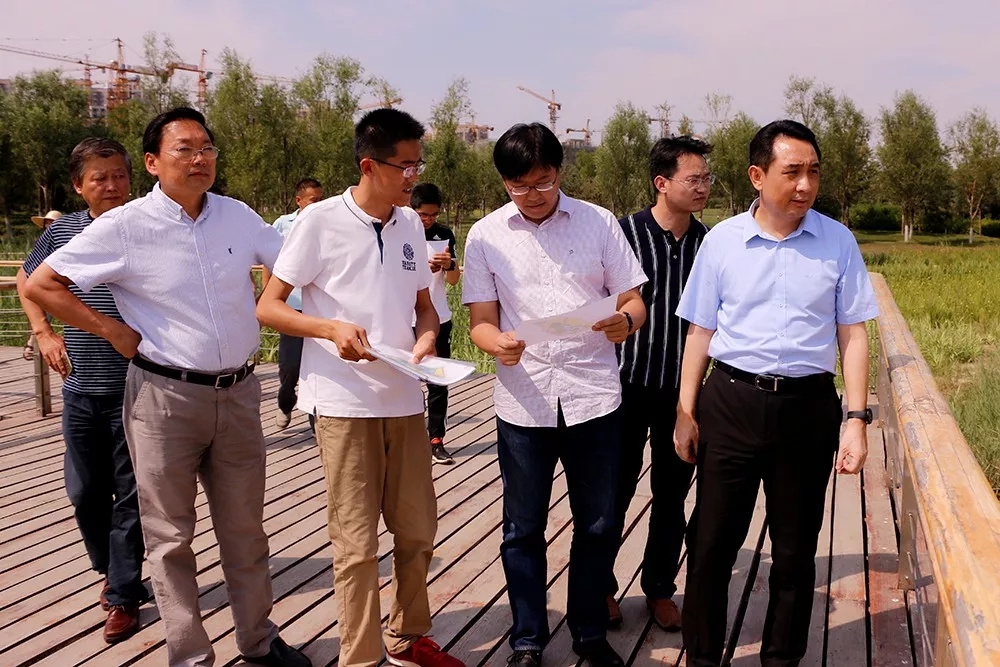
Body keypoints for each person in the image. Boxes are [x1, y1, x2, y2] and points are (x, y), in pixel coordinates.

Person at [25, 107, 310, 667]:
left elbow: (295, 265)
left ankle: (258, 640)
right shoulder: (126, 225)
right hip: (163, 398)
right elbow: (41, 283)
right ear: (153, 162)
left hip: (239, 393)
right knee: (169, 536)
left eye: (206, 147)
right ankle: (189, 655)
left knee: (245, 531)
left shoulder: (237, 216)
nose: (199, 158)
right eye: (185, 148)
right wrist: (110, 329)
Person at [256, 108, 464, 667]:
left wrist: (426, 339)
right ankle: (361, 656)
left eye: (418, 164)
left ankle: (407, 635)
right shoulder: (319, 222)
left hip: (405, 398)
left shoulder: (411, 225)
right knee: (355, 544)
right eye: (405, 166)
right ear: (369, 165)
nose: (413, 176)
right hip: (343, 403)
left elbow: (425, 308)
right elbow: (268, 307)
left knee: (417, 531)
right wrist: (330, 329)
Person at [673, 119, 879, 667]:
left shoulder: (838, 241)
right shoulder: (721, 242)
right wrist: (685, 411)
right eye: (792, 172)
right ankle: (702, 657)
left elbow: (853, 334)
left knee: (794, 551)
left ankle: (781, 660)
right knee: (711, 544)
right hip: (731, 402)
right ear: (757, 176)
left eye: (813, 172)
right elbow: (699, 331)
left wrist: (855, 419)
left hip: (808, 409)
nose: (805, 185)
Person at [462, 122, 648, 667]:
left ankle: (589, 632)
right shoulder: (486, 235)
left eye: (543, 182)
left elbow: (633, 299)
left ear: (559, 172)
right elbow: (480, 321)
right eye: (519, 186)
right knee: (522, 528)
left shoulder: (599, 222)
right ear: (504, 183)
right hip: (524, 401)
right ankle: (527, 638)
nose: (533, 195)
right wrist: (497, 344)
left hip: (594, 397)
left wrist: (625, 322)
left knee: (598, 522)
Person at [16, 139, 146, 643]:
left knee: (131, 495)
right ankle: (111, 571)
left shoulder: (145, 225)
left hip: (139, 385)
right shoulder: (63, 232)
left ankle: (123, 592)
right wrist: (44, 332)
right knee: (86, 490)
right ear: (78, 186)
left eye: (119, 175)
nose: (112, 186)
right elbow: (28, 280)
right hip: (80, 385)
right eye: (99, 178)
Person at [607, 136, 713, 632]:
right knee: (614, 490)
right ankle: (601, 587)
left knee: (672, 494)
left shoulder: (709, 244)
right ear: (662, 182)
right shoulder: (622, 234)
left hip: (682, 393)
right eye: (694, 178)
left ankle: (659, 589)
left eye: (707, 178)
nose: (703, 187)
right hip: (624, 385)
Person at [409, 183, 460, 465]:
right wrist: (421, 268)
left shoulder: (445, 235)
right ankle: (407, 437)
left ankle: (436, 438)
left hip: (439, 318)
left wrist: (448, 265)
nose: (428, 220)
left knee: (438, 382)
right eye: (422, 214)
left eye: (433, 214)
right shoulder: (401, 232)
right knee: (405, 381)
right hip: (405, 319)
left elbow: (453, 280)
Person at [271, 177, 325, 429]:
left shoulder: (328, 223)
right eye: (314, 200)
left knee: (318, 369)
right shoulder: (283, 225)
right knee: (290, 366)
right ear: (299, 201)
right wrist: (270, 295)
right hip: (291, 306)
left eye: (321, 199)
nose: (318, 204)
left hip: (319, 307)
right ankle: (285, 402)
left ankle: (317, 423)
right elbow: (272, 262)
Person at [23, 210, 63, 360]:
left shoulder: (63, 240)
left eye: (52, 222)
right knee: (43, 314)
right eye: (47, 222)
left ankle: (31, 344)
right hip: (41, 282)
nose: (49, 225)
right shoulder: (42, 240)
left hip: (56, 282)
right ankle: (32, 344)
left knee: (48, 313)